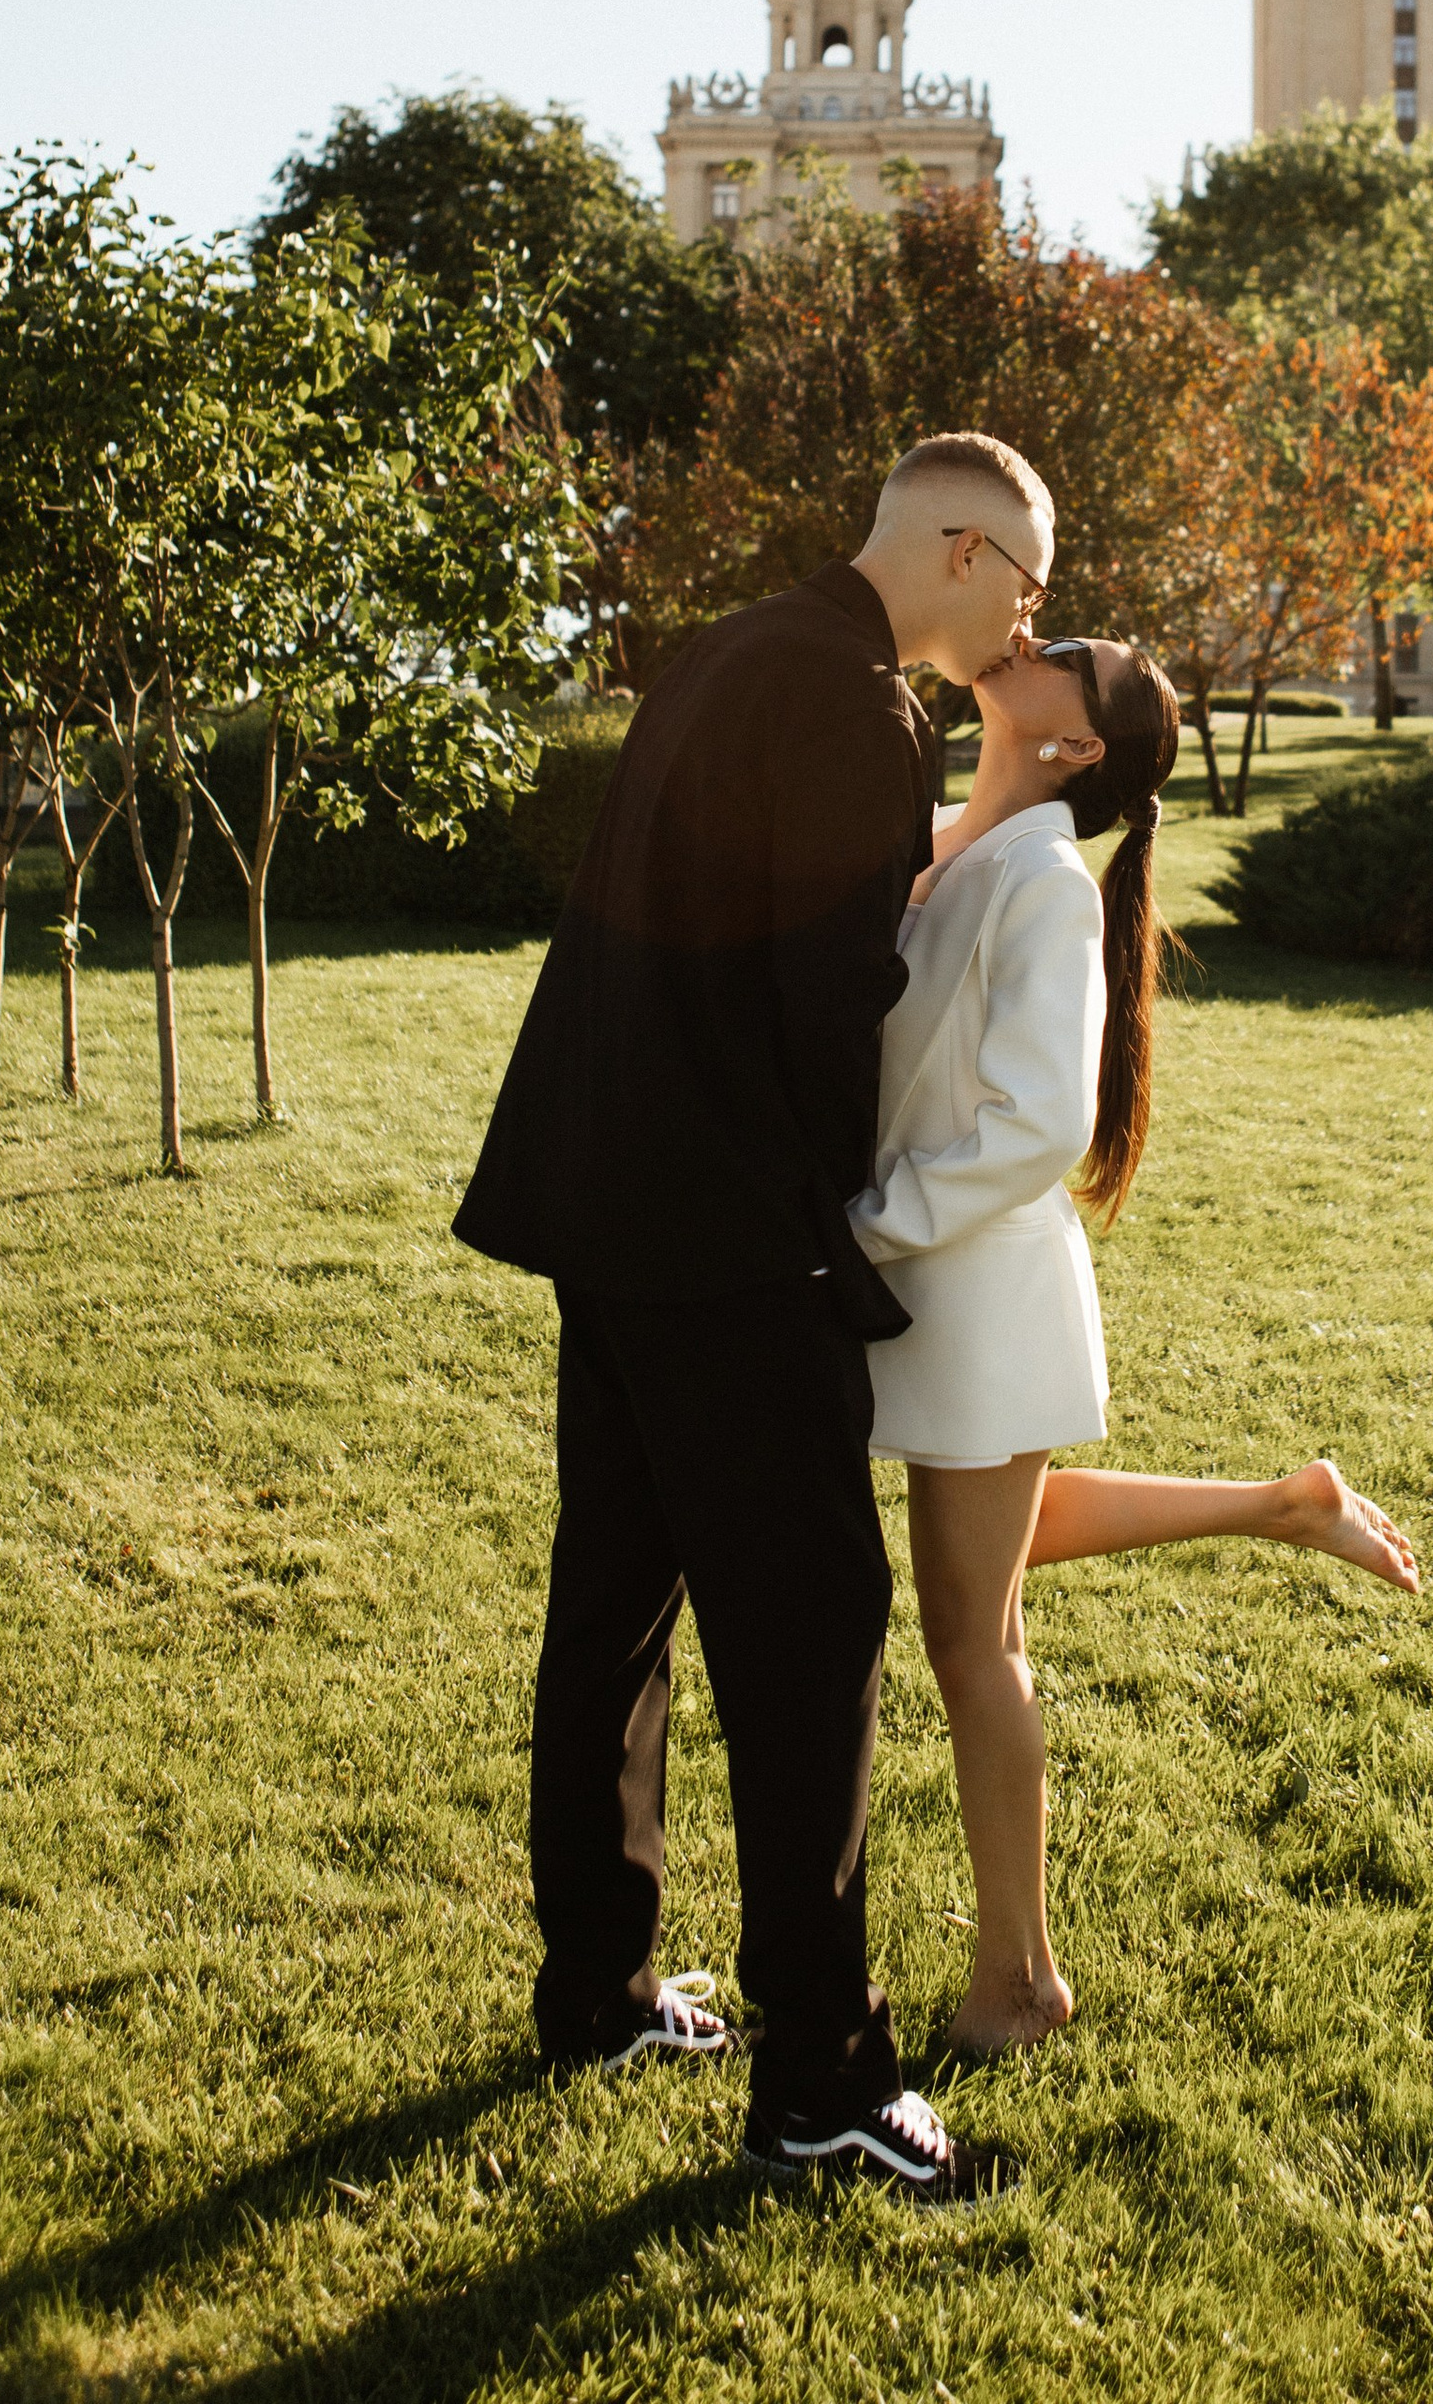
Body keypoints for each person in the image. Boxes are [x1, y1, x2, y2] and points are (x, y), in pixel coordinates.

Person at [454, 431, 1058, 2203]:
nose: (1027, 621)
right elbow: (829, 1011)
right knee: (813, 1648)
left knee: (616, 1606)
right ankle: (824, 2083)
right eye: (1024, 586)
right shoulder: (864, 710)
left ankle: (601, 1987)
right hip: (728, 1242)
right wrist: (839, 1240)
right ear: (958, 551)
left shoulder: (721, 647)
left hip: (603, 1206)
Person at [851, 630, 1419, 2057]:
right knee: (998, 1553)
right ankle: (1288, 1503)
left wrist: (866, 1221)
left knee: (972, 1642)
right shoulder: (947, 837)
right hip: (930, 1271)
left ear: (1079, 745)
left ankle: (1018, 1984)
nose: (1031, 638)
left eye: (1070, 653)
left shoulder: (1042, 882)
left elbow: (1042, 1120)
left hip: (973, 1284)